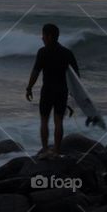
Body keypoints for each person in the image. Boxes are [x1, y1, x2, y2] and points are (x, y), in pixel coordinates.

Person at [26, 23, 79, 157]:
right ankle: (56, 150)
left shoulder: (43, 52)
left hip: (47, 91)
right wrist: (73, 96)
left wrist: (29, 88)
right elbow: (76, 76)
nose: (42, 38)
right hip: (62, 91)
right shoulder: (67, 53)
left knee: (44, 120)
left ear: (49, 36)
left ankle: (44, 150)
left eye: (43, 35)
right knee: (58, 121)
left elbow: (36, 72)